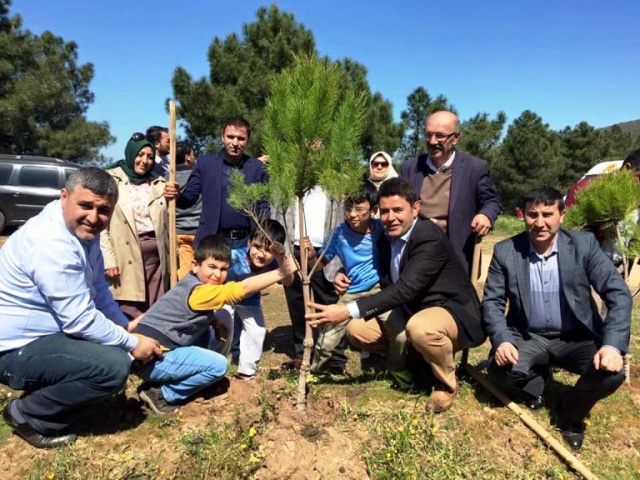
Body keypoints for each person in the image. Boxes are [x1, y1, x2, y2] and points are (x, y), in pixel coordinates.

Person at [0, 168, 162, 448]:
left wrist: (122, 327)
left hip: (42, 336)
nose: (94, 217)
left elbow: (98, 286)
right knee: (112, 366)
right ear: (64, 197)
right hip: (13, 349)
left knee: (110, 346)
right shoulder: (52, 243)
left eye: (103, 210)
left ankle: (53, 392)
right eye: (85, 205)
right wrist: (132, 342)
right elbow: (79, 321)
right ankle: (28, 414)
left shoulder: (80, 230)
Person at [306, 178, 485, 412]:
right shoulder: (385, 234)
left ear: (416, 209)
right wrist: (342, 270)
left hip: (451, 312)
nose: (391, 217)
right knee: (357, 331)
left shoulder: (427, 236)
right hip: (410, 309)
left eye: (398, 210)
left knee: (420, 328)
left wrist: (346, 309)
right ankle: (415, 361)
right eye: (386, 211)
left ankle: (446, 383)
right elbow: (368, 261)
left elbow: (406, 288)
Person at [482, 186, 631, 451]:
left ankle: (572, 411)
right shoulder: (506, 251)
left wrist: (611, 346)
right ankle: (538, 379)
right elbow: (492, 302)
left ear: (562, 215)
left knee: (611, 375)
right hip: (529, 336)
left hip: (577, 338)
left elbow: (618, 293)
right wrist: (503, 340)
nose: (540, 222)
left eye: (548, 214)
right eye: (532, 214)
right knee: (499, 371)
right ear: (523, 216)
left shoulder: (583, 245)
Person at [132, 234, 297, 413]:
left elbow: (189, 314)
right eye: (212, 267)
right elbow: (240, 289)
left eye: (223, 269)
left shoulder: (190, 283)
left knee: (206, 334)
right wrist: (282, 271)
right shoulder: (200, 291)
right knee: (218, 365)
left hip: (148, 358)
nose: (217, 274)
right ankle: (162, 393)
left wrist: (215, 323)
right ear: (195, 265)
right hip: (151, 359)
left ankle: (171, 380)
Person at [401, 110, 501, 274]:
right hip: (416, 253)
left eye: (440, 136)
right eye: (428, 135)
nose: (433, 141)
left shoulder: (474, 168)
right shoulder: (410, 168)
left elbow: (491, 201)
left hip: (457, 254)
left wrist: (486, 215)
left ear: (455, 138)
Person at [306, 183, 389, 375]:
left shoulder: (381, 230)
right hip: (351, 292)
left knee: (397, 331)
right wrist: (311, 255)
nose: (352, 214)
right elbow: (318, 266)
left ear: (373, 210)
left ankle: (397, 367)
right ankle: (316, 373)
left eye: (359, 209)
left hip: (380, 290)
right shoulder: (339, 233)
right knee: (327, 339)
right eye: (348, 208)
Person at [100, 133, 178, 319]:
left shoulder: (158, 182)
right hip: (125, 255)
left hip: (156, 259)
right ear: (131, 153)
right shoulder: (112, 180)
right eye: (140, 155)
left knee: (155, 307)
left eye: (150, 157)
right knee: (126, 309)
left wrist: (173, 196)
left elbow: (167, 220)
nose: (145, 161)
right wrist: (108, 259)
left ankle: (150, 343)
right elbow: (102, 226)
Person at [279, 185, 349, 373]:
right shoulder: (291, 179)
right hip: (293, 250)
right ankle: (303, 354)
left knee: (329, 302)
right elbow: (278, 213)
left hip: (326, 252)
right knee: (297, 305)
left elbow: (344, 217)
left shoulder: (337, 181)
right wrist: (283, 251)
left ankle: (335, 359)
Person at [177, 116, 269, 249]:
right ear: (222, 137)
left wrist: (260, 237)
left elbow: (263, 206)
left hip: (247, 244)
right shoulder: (205, 164)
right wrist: (177, 195)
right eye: (230, 137)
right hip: (212, 242)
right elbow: (189, 199)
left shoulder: (257, 167)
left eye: (241, 138)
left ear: (248, 140)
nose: (235, 142)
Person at [221, 219, 294, 380]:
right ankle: (215, 363)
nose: (261, 254)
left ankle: (246, 371)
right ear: (249, 243)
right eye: (257, 247)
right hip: (225, 298)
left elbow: (288, 281)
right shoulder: (233, 256)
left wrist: (281, 258)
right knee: (222, 327)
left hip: (250, 300)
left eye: (268, 250)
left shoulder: (275, 262)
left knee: (257, 331)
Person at [174, 141, 202, 279]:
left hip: (179, 231)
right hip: (199, 230)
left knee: (185, 270)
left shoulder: (167, 178)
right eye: (193, 154)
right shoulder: (199, 176)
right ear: (187, 157)